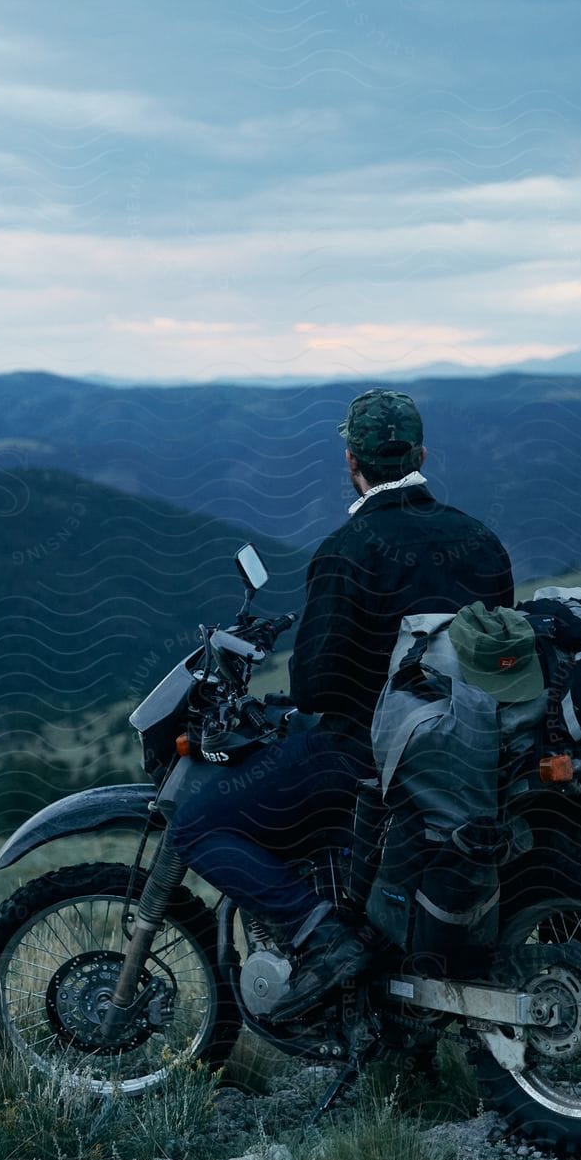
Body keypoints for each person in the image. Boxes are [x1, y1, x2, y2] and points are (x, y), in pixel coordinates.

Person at [168, 388, 514, 1021]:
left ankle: (322, 939)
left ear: (351, 460)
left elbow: (317, 688)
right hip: (470, 748)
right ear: (421, 453)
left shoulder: (347, 549)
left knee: (198, 825)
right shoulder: (481, 541)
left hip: (364, 754)